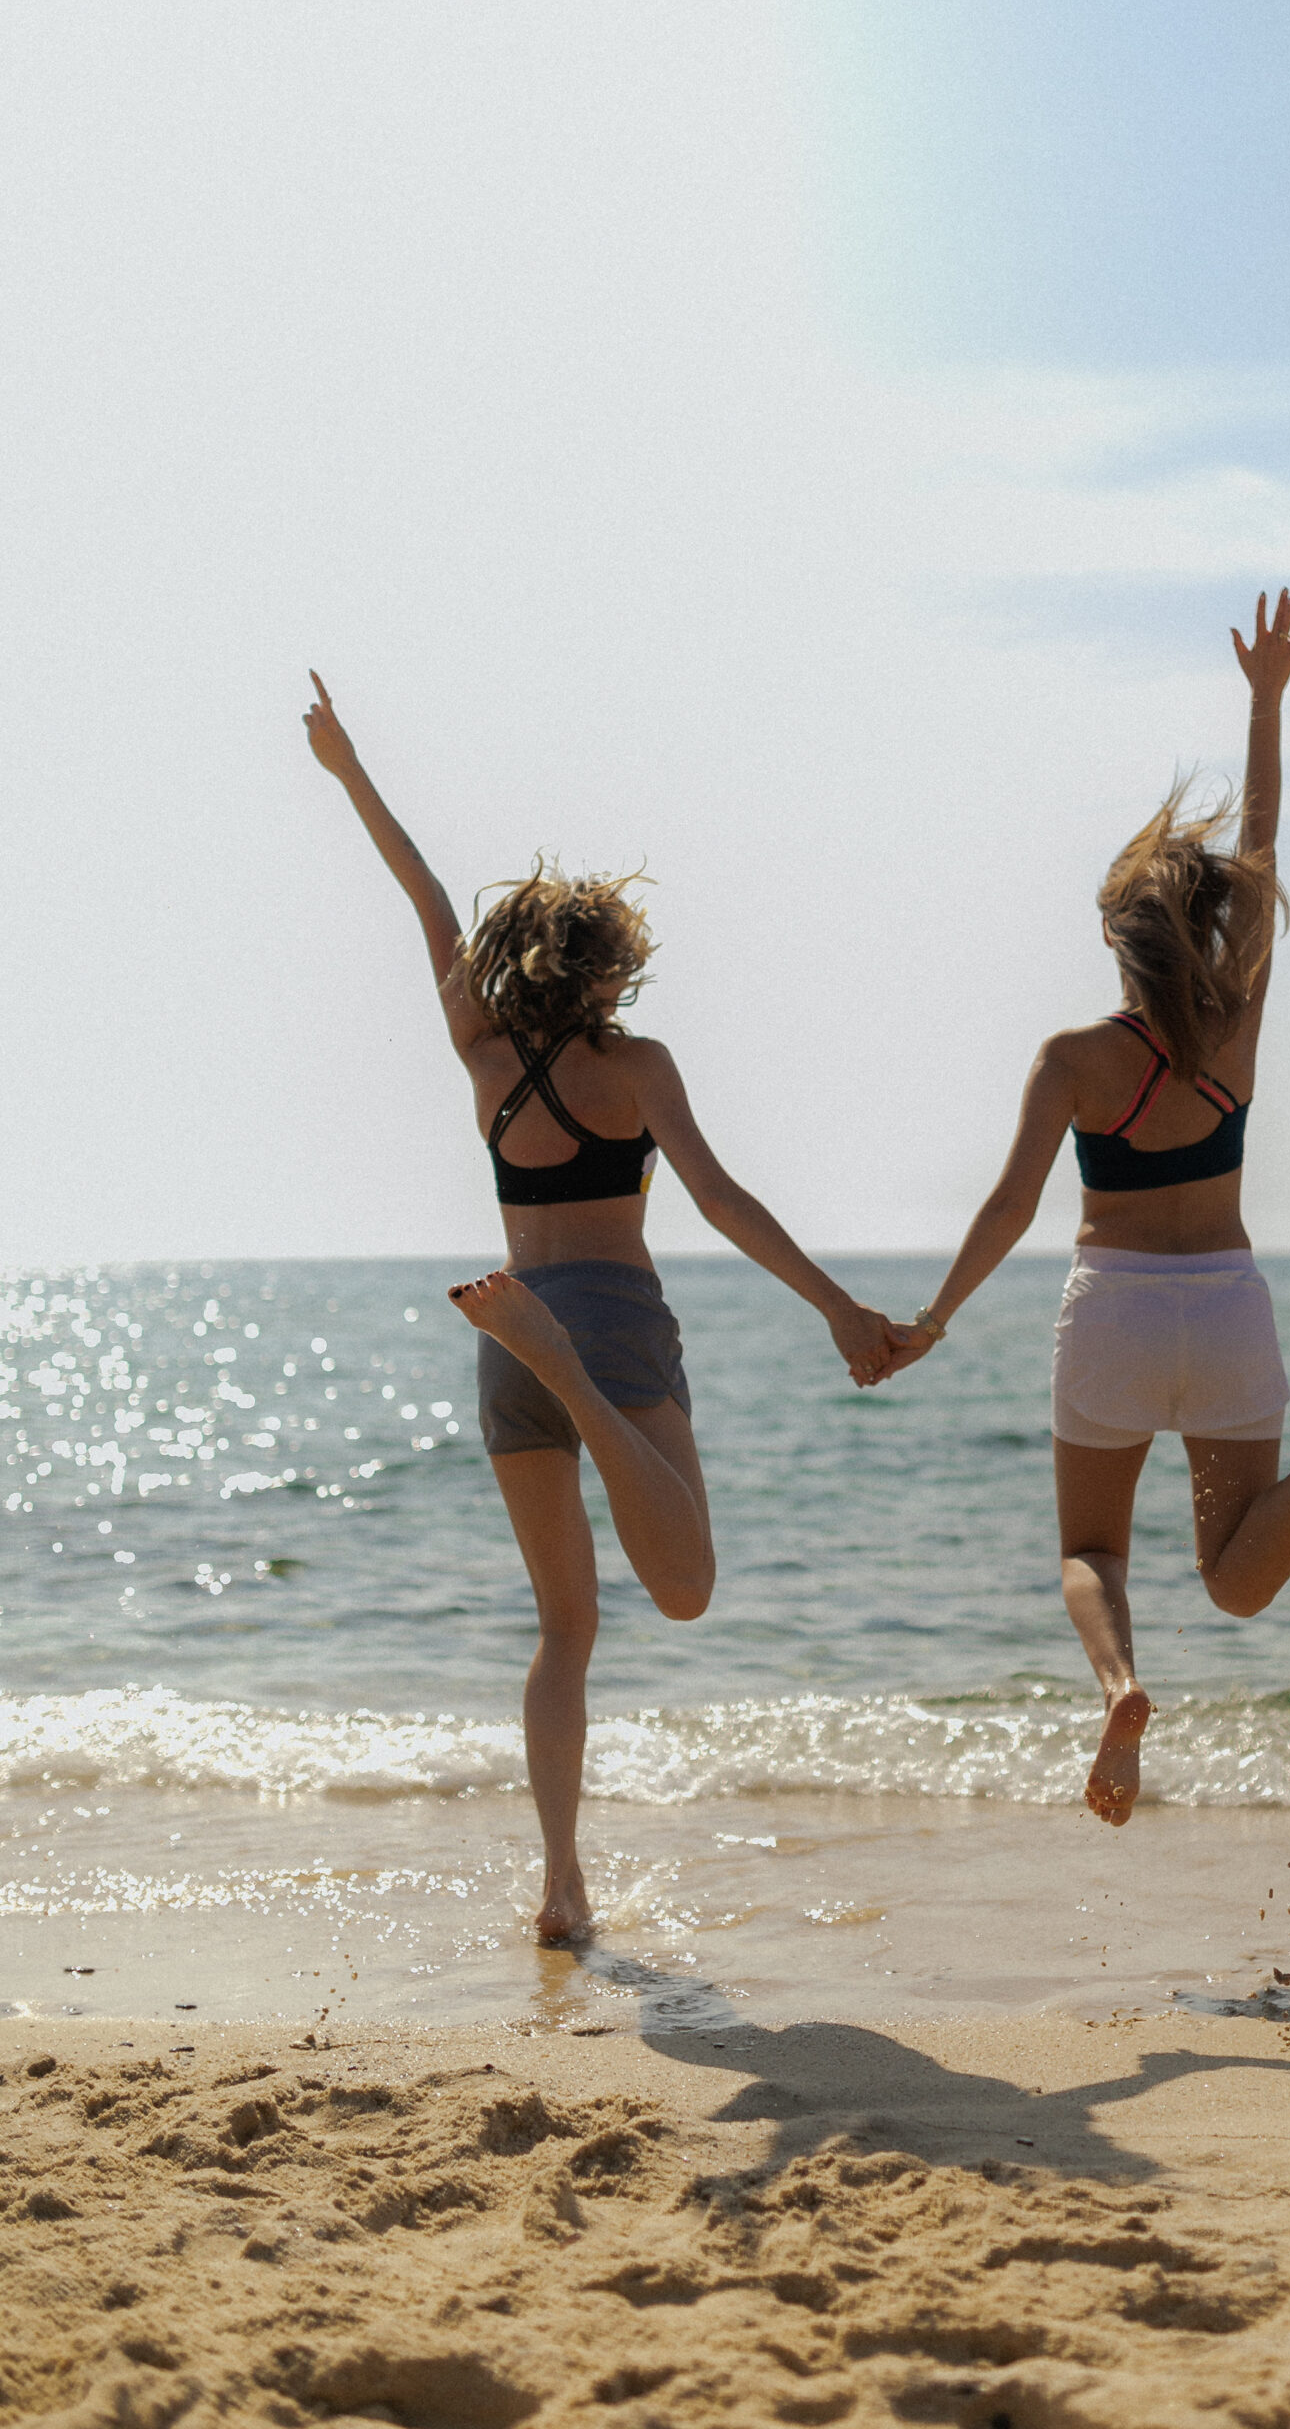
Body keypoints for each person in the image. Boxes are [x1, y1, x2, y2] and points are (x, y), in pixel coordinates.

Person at [299, 673, 906, 1941]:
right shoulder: (636, 1068)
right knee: (682, 1589)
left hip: (503, 1318)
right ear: (611, 965)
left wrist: (349, 771)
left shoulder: (480, 1061)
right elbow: (725, 1201)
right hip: (606, 1326)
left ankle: (561, 1881)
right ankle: (567, 1371)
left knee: (562, 1630)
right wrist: (839, 1309)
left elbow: (418, 890)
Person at [884, 593, 1290, 1828]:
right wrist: (1266, 703)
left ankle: (1119, 1685)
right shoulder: (1236, 1022)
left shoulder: (1071, 1059)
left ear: (1116, 948)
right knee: (1229, 1580)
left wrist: (934, 1317)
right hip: (1224, 1309)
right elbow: (1264, 849)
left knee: (1091, 1556)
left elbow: (1008, 1207)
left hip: (1111, 1314)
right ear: (1203, 934)